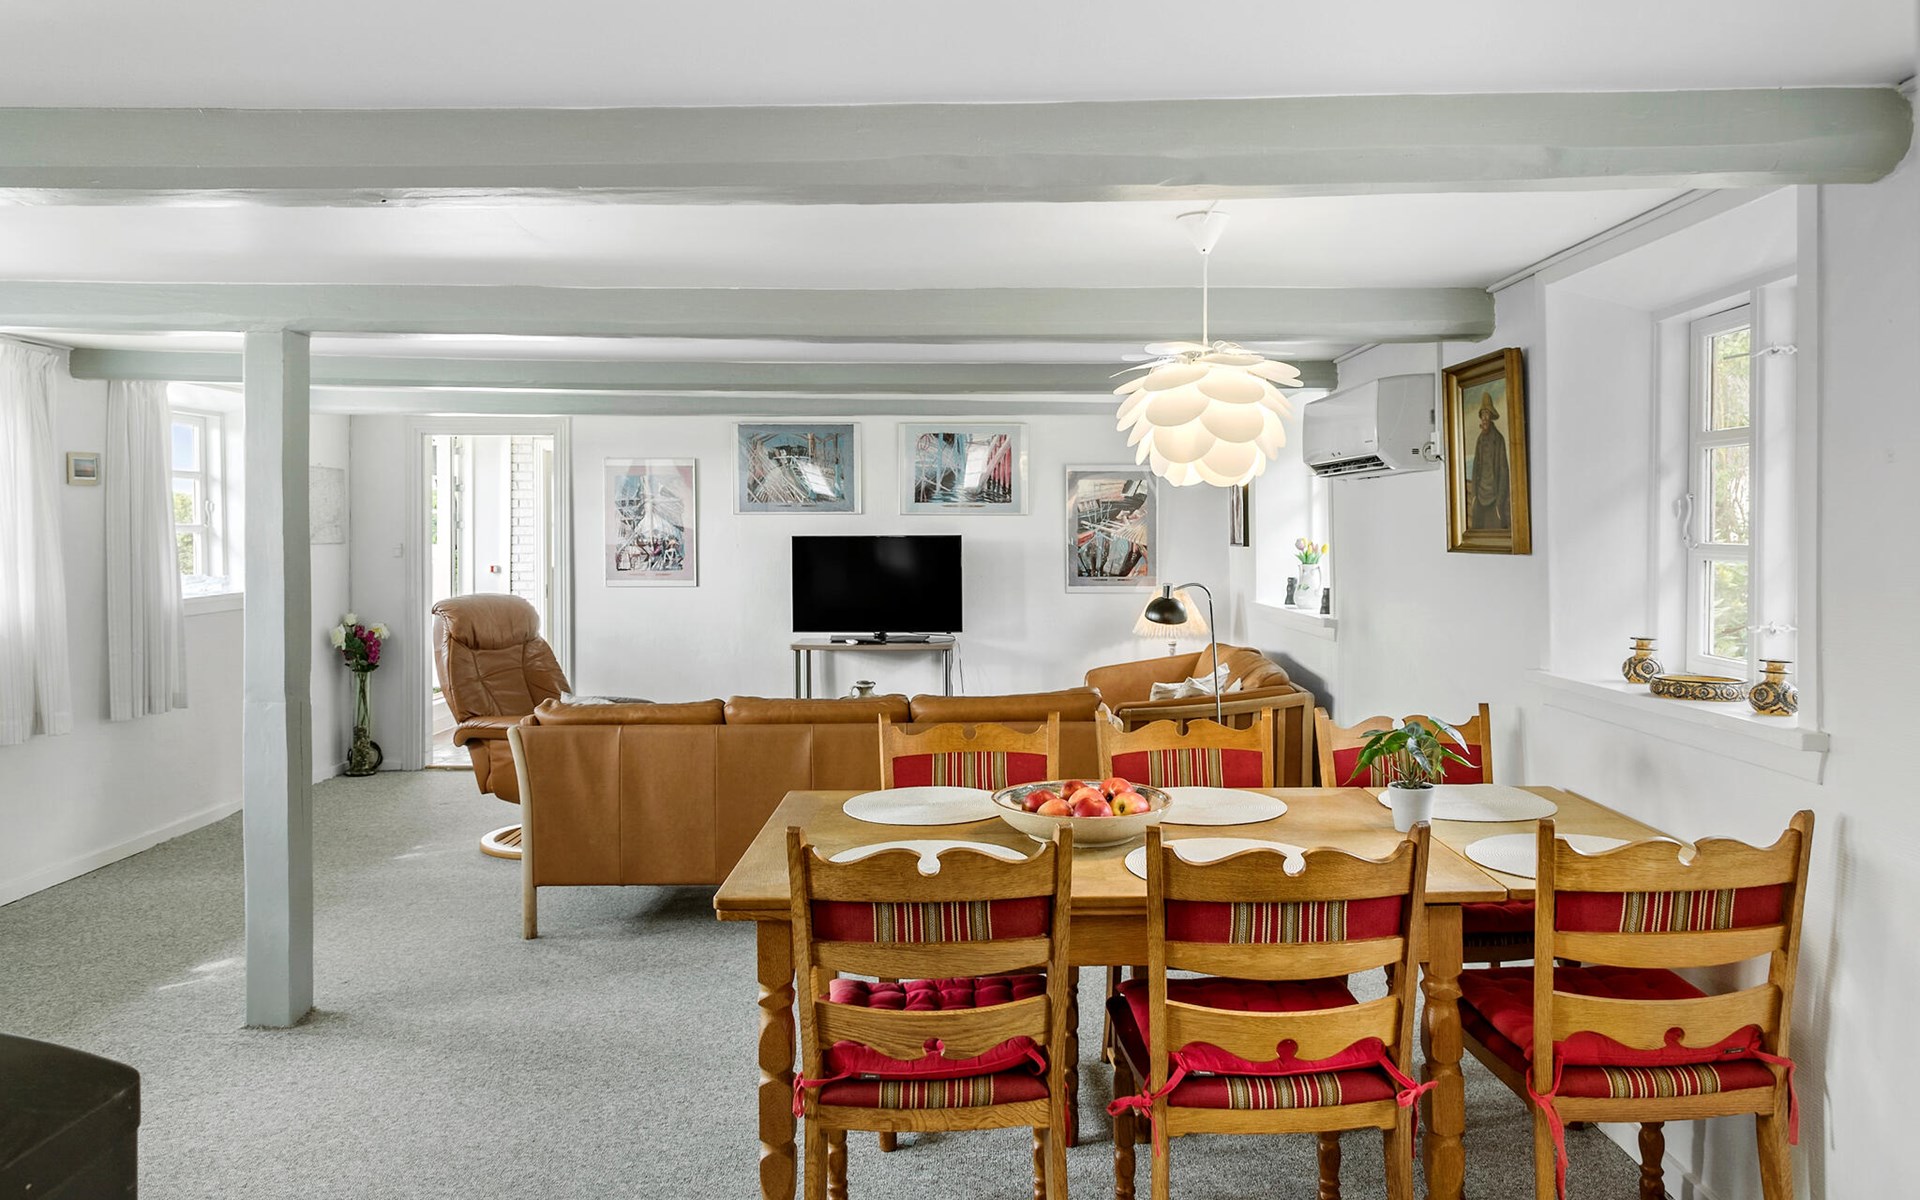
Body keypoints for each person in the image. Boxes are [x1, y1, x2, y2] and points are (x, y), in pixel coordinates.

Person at [1468, 392, 1509, 532]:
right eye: (1482, 414)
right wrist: (1474, 496)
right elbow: (1475, 468)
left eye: (1487, 414)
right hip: (1480, 498)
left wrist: (1500, 502)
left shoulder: (1499, 439)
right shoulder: (1480, 440)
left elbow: (1504, 472)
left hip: (1494, 499)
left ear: (1491, 416)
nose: (1484, 418)